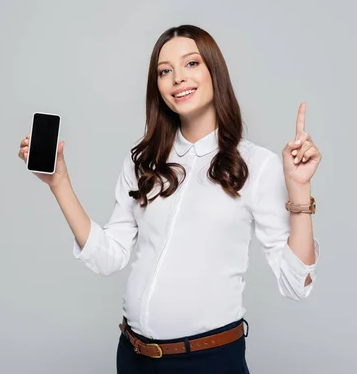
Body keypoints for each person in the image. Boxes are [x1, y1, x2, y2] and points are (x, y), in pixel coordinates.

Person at [17, 25, 321, 373]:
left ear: (214, 72)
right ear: (157, 86)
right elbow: (108, 258)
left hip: (208, 362)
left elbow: (297, 283)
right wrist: (59, 183)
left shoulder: (256, 165)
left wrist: (299, 191)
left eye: (191, 64)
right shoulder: (143, 161)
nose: (178, 78)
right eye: (165, 71)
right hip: (133, 357)